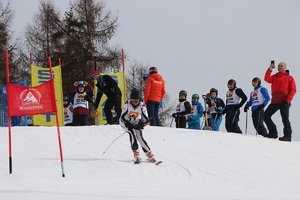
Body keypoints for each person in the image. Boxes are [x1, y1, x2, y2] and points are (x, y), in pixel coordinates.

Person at [119, 89, 156, 162]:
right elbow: (122, 117)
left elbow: (146, 119)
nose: (135, 103)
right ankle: (136, 152)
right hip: (125, 122)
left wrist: (141, 124)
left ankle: (148, 153)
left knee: (140, 137)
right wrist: (127, 124)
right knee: (132, 133)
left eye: (136, 101)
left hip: (136, 121)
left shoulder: (142, 106)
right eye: (133, 101)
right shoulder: (127, 105)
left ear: (139, 100)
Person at [263, 62, 296, 142]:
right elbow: (266, 79)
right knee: (266, 116)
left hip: (284, 101)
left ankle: (287, 136)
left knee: (285, 119)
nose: (280, 67)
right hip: (275, 101)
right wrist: (270, 69)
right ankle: (273, 133)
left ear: (285, 67)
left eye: (281, 66)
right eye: (278, 66)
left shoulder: (290, 78)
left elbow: (293, 90)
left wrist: (287, 100)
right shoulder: (274, 77)